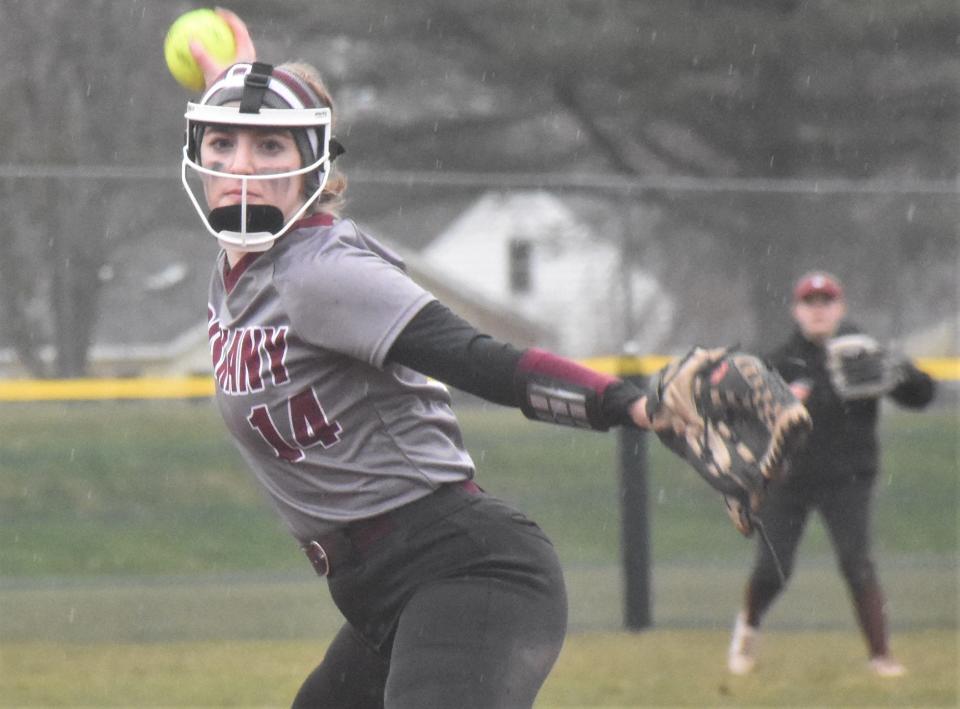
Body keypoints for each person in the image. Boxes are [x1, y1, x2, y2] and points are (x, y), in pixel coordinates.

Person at [182, 11, 665, 708]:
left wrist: (631, 403)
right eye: (223, 145)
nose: (241, 170)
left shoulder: (322, 272)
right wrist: (239, 82)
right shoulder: (241, 267)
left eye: (269, 149)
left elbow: (477, 358)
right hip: (381, 591)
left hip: (467, 571)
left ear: (312, 165)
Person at [726, 270, 936, 679]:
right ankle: (748, 629)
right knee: (774, 567)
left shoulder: (862, 353)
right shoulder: (782, 361)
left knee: (856, 562)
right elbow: (746, 417)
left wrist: (903, 372)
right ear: (796, 310)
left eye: (826, 302)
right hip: (788, 478)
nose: (819, 310)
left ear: (840, 307)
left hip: (848, 477)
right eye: (810, 303)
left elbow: (922, 397)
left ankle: (881, 656)